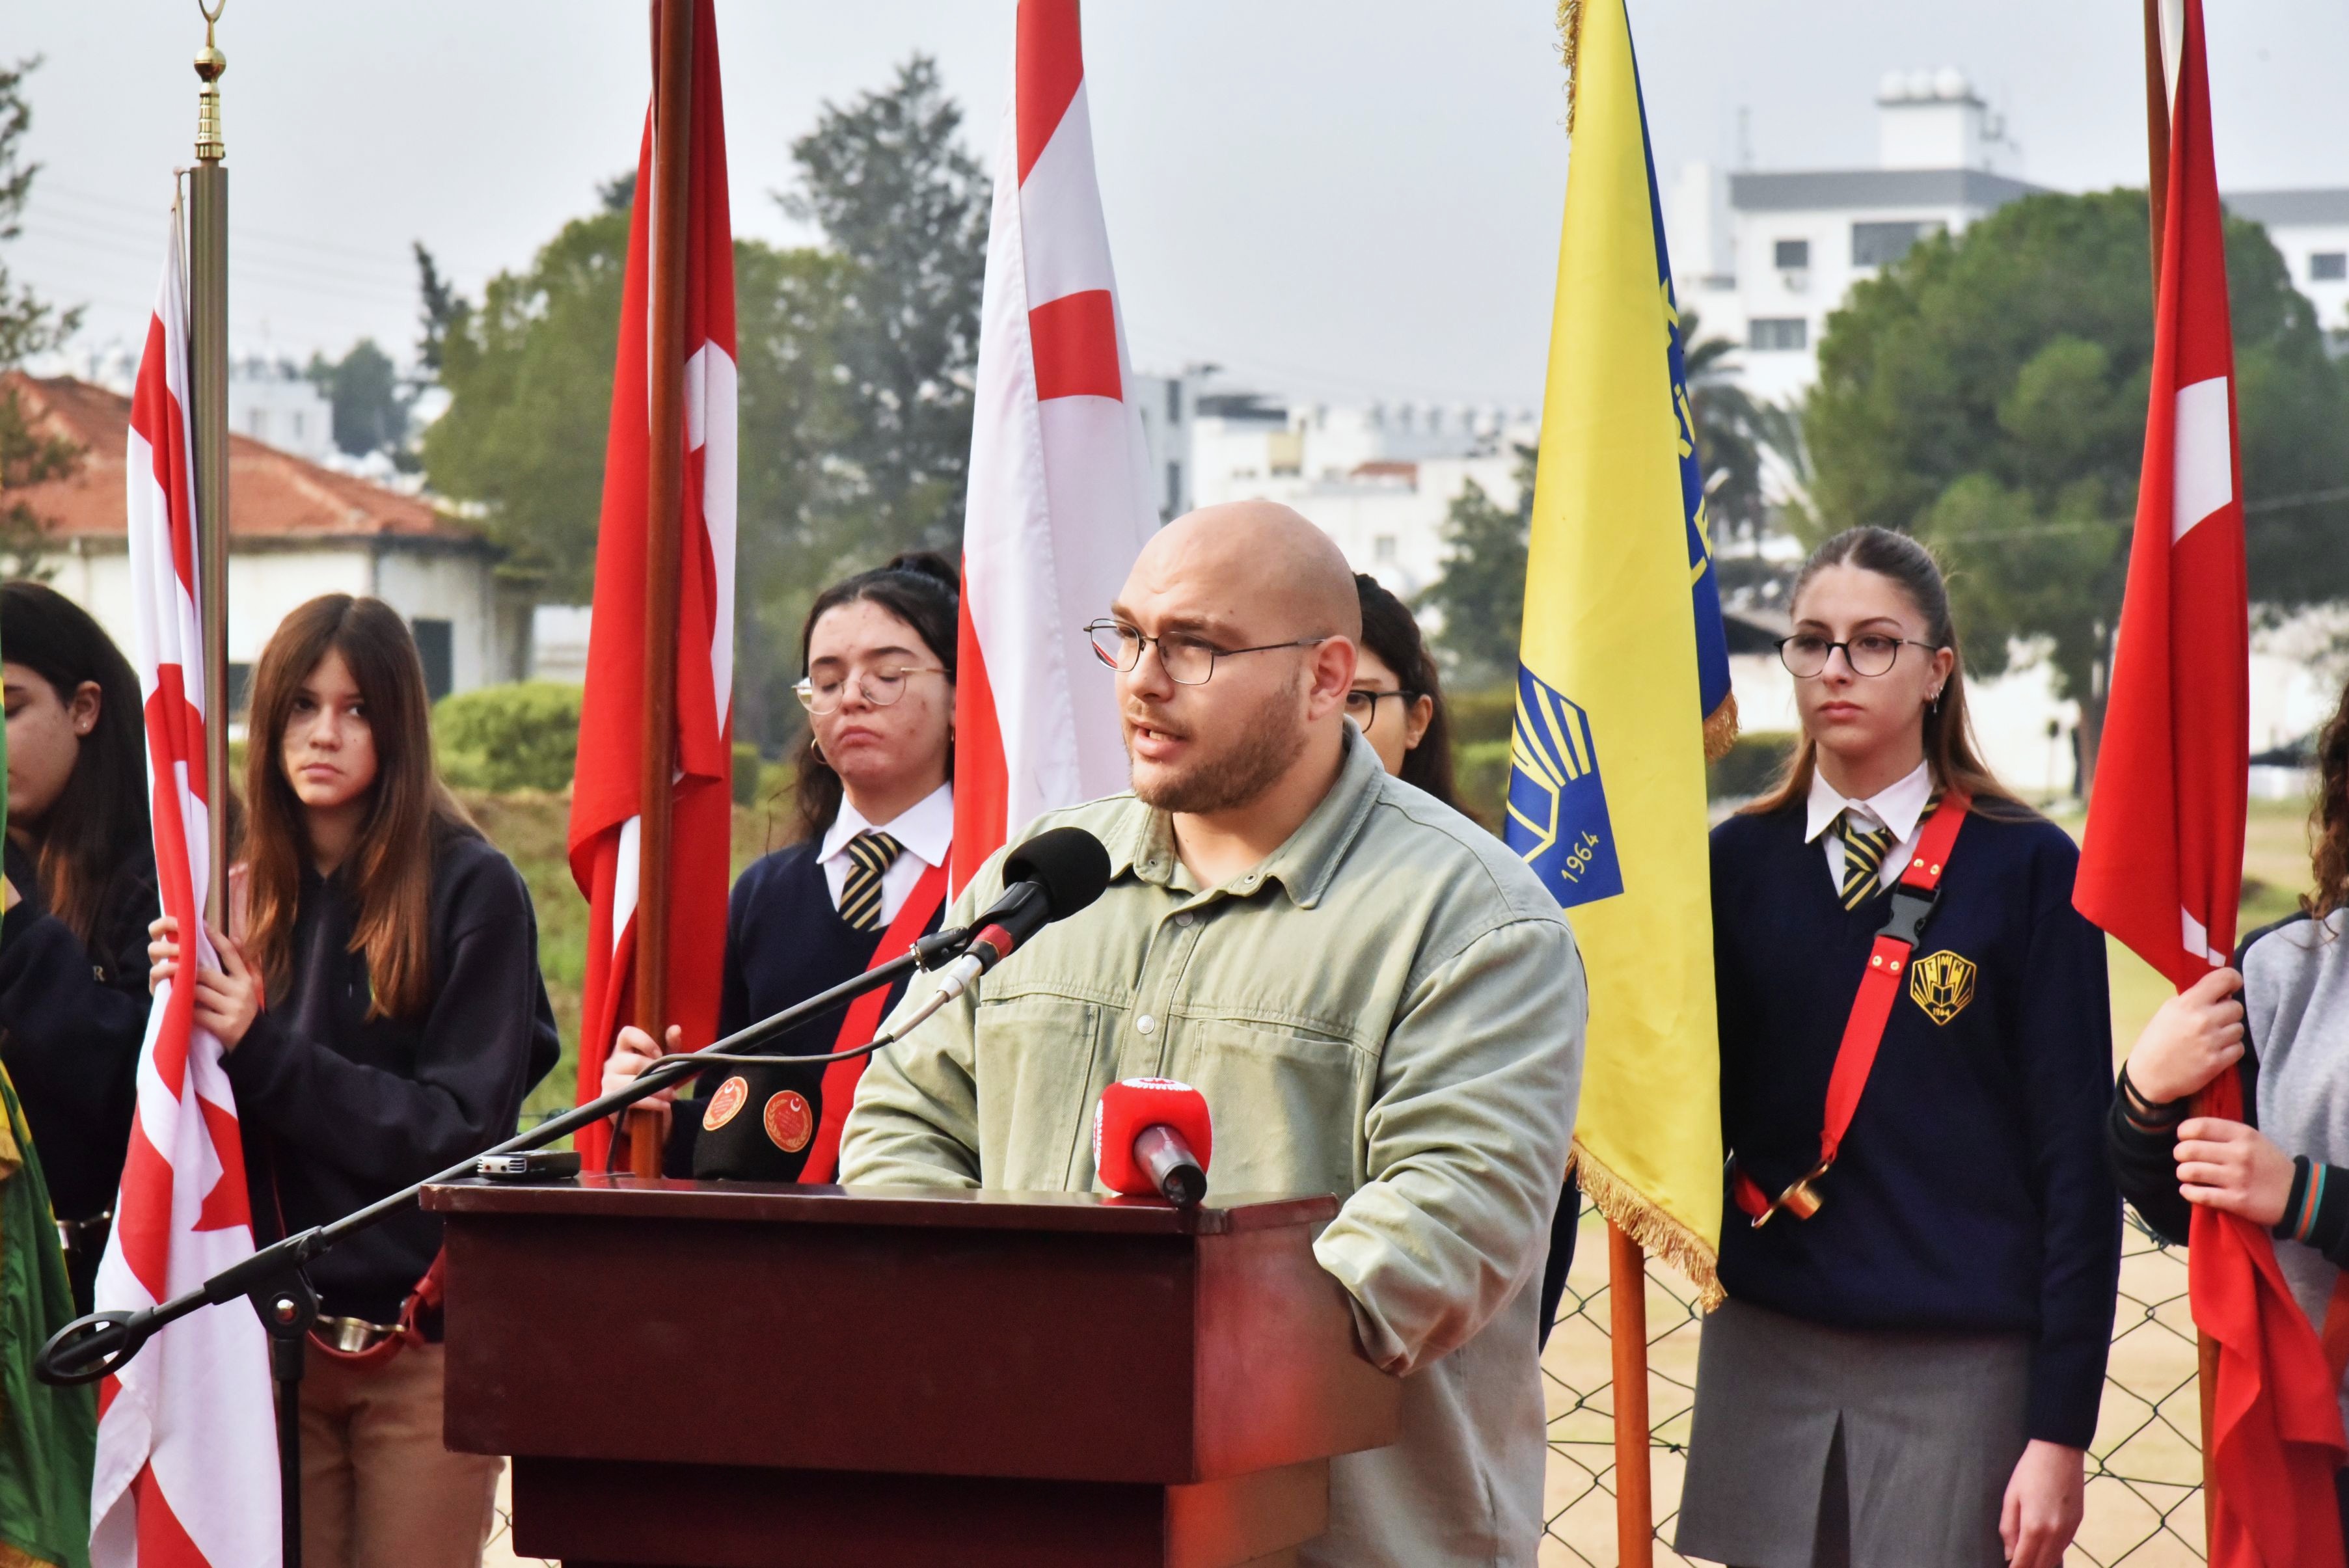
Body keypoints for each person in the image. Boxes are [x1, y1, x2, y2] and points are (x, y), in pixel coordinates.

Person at [839, 501, 1587, 1568]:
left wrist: (1118, 1358)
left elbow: (1442, 1233)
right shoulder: (1043, 876)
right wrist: (987, 1338)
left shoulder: (1474, 922)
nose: (1142, 680)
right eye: (1128, 635)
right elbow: (901, 1125)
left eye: (1194, 647)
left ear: (1326, 676)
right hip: (1036, 1522)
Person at [1675, 527, 2120, 1568]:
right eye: (1811, 641)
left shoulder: (2028, 869)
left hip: (1959, 1361)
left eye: (1873, 642)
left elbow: (2076, 1166)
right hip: (1767, 1340)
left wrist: (2059, 1428)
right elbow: (1681, 1102)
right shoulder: (1731, 865)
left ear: (1936, 669)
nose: (1835, 667)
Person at [149, 594, 558, 1568]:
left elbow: (459, 1135)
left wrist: (262, 1049)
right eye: (300, 705)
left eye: (356, 708)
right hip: (263, 1346)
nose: (323, 733)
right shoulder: (230, 894)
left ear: (399, 725)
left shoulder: (473, 886)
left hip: (417, 1343)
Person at [603, 553, 960, 1180]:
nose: (853, 698)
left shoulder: (999, 883)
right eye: (828, 682)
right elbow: (731, 1126)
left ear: (961, 697)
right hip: (779, 1234)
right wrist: (651, 1113)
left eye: (888, 675)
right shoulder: (764, 895)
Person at [2108, 671, 2349, 1547]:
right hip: (2308, 1446)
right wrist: (2145, 1095)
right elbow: (2186, 1207)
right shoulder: (2284, 969)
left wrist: (2305, 1196)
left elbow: (2279, 1192)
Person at [1350, 571, 1581, 1345]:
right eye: (1313, 695)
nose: (1333, 727)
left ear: (1417, 718)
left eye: (1359, 699)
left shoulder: (1490, 908)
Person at [0, 581, 157, 1312]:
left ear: (84, 708)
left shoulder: (163, 870)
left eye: (9, 709)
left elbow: (130, 1085)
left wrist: (16, 934)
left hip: (112, 1290)